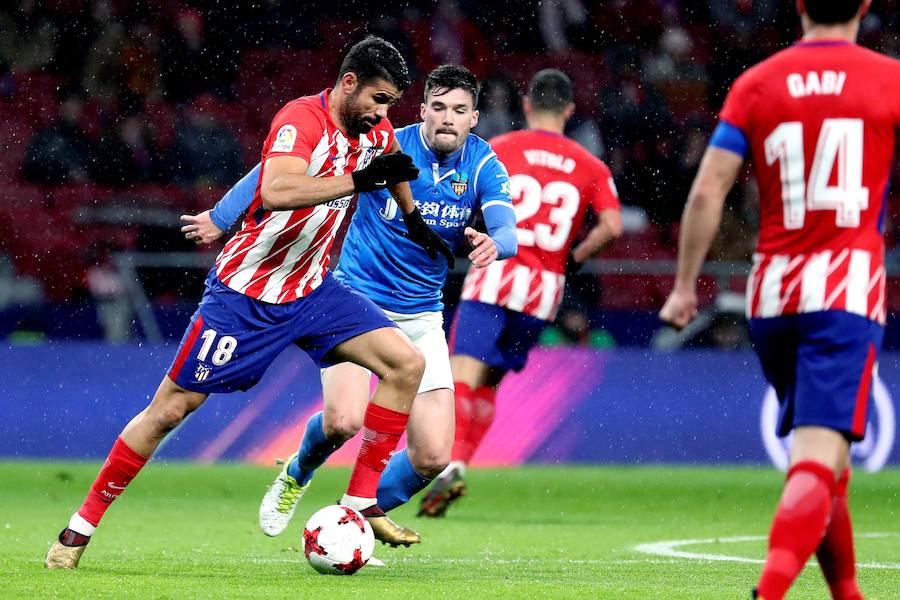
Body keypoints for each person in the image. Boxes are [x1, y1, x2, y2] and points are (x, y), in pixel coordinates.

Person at [44, 35, 453, 569]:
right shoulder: (300, 120)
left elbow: (395, 165)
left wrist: (417, 222)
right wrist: (357, 180)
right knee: (170, 409)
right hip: (247, 295)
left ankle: (358, 502)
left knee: (407, 364)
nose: (382, 113)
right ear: (348, 83)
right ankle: (76, 533)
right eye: (377, 99)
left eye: (390, 104)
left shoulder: (370, 127)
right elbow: (279, 188)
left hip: (313, 291)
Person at [182, 64, 517, 545]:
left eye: (459, 111)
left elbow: (507, 227)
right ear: (421, 110)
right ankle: (299, 471)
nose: (448, 118)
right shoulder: (382, 143)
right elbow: (272, 171)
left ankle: (348, 519)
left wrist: (494, 244)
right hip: (356, 304)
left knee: (432, 457)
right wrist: (221, 215)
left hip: (423, 316)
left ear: (474, 118)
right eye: (439, 107)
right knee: (343, 422)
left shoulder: (484, 164)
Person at [658, 2, 896, 598]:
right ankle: (769, 592)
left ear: (799, 6)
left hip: (772, 296)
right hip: (843, 291)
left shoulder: (758, 82)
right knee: (816, 462)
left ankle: (848, 594)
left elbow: (709, 188)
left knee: (827, 466)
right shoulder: (888, 79)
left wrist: (687, 284)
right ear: (864, 7)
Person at [419, 69, 623, 517]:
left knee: (461, 380)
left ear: (527, 104)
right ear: (569, 111)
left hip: (497, 274)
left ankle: (444, 463)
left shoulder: (501, 149)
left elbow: (463, 194)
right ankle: (460, 464)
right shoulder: (591, 166)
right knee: (490, 382)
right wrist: (576, 256)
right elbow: (612, 226)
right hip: (543, 291)